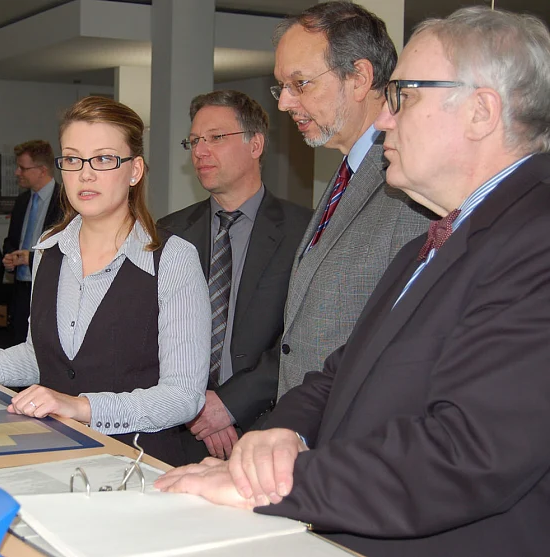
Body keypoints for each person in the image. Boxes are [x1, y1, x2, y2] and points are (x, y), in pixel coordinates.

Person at [157, 7, 550, 556]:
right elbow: (346, 366)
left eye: (405, 96)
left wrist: (278, 486)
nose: (385, 118)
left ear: (481, 112)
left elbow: (471, 452)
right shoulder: (434, 240)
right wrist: (281, 434)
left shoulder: (535, 240)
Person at [0, 97, 210, 466]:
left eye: (103, 159)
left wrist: (80, 407)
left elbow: (183, 397)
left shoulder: (173, 259)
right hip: (57, 453)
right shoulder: (50, 250)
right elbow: (38, 357)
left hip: (137, 464)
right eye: (73, 159)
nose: (85, 174)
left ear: (135, 170)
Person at [268, 1, 431, 403]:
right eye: (282, 86)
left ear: (359, 78)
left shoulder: (411, 184)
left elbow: (411, 347)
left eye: (300, 84)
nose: (284, 103)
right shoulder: (348, 172)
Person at [158, 90, 311, 462]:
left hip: (267, 429)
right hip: (180, 429)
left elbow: (305, 339)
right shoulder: (168, 233)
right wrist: (197, 406)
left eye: (215, 137)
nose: (200, 151)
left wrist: (229, 404)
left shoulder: (305, 232)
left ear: (255, 144)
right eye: (194, 141)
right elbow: (154, 331)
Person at [2, 140, 62, 343]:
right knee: (19, 342)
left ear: (42, 170)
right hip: (21, 288)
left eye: (23, 168)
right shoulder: (22, 201)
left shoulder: (65, 202)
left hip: (50, 290)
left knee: (46, 345)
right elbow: (11, 240)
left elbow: (68, 249)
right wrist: (9, 256)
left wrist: (31, 257)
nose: (17, 172)